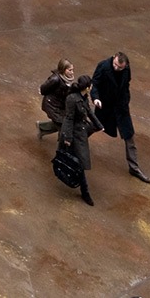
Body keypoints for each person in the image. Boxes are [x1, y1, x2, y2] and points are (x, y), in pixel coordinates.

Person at [92, 50, 150, 183]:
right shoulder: (103, 66)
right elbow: (94, 83)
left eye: (120, 67)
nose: (116, 68)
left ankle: (134, 167)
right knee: (92, 127)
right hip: (105, 106)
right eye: (115, 65)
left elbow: (126, 85)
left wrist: (126, 100)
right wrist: (95, 98)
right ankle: (69, 141)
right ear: (114, 58)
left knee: (129, 136)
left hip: (120, 107)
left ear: (125, 65)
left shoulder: (126, 70)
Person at [56, 74, 101, 206]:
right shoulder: (72, 99)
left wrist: (99, 125)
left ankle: (81, 187)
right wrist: (68, 138)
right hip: (72, 135)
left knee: (76, 161)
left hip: (80, 132)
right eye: (91, 86)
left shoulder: (84, 97)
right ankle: (84, 191)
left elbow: (89, 112)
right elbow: (69, 118)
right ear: (87, 88)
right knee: (77, 162)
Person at [37, 59, 84, 136]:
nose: (72, 72)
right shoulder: (55, 79)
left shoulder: (68, 79)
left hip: (60, 105)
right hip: (52, 106)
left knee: (65, 122)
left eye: (72, 70)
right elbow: (43, 89)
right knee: (64, 125)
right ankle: (63, 145)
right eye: (70, 70)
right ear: (64, 70)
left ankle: (42, 127)